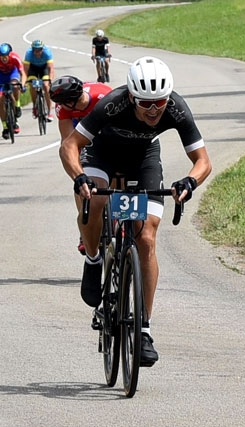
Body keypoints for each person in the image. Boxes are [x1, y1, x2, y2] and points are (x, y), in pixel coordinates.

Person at [58, 56, 212, 366]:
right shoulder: (112, 104)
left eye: (159, 102)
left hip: (144, 159)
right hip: (103, 153)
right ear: (131, 96)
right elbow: (70, 145)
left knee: (146, 238)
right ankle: (93, 259)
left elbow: (203, 161)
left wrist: (190, 182)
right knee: (97, 203)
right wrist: (79, 177)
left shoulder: (176, 108)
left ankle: (143, 330)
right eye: (145, 104)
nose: (154, 110)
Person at [50, 75, 113, 254]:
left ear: (70, 101)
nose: (60, 106)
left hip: (106, 125)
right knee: (81, 179)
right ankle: (84, 224)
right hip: (81, 129)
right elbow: (68, 142)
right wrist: (78, 173)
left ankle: (119, 216)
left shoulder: (102, 96)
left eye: (63, 103)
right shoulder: (64, 108)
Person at [0, 42, 26, 139]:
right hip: (0, 76)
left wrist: (22, 84)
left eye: (5, 56)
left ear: (9, 54)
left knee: (15, 86)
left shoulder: (15, 58)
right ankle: (5, 127)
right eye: (2, 57)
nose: (4, 58)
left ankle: (17, 105)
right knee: (0, 100)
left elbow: (23, 73)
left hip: (12, 73)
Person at [23, 39, 55, 121]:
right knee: (33, 85)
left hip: (44, 69)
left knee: (45, 86)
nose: (37, 52)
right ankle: (35, 106)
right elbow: (25, 70)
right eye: (35, 50)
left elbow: (51, 69)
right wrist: (24, 82)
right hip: (33, 69)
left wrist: (50, 80)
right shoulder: (29, 54)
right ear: (32, 50)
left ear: (42, 49)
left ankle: (49, 111)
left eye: (39, 50)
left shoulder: (47, 53)